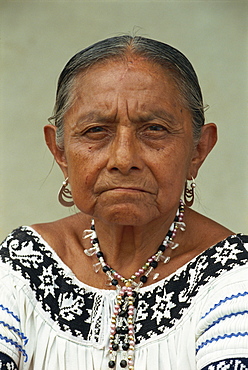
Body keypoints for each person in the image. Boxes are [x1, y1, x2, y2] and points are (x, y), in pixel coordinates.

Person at [0, 35, 247, 370]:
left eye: (155, 129)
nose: (123, 158)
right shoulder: (22, 266)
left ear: (198, 150)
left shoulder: (235, 275)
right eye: (96, 131)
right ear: (59, 151)